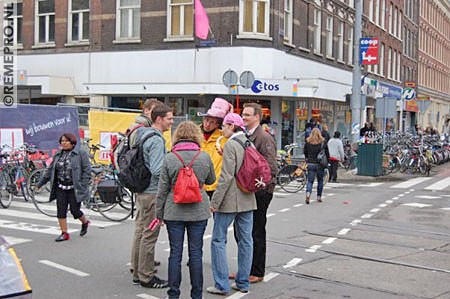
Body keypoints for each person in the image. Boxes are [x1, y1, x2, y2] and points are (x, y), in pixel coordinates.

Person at [155, 121, 216, 299]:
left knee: (175, 254)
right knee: (196, 253)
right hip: (199, 210)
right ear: (196, 135)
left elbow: (162, 189)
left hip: (174, 210)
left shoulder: (170, 158)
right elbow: (211, 180)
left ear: (177, 137)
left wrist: (159, 215)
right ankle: (196, 295)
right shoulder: (204, 157)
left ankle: (173, 294)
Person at [207, 113, 257, 295]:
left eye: (224, 126)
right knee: (246, 240)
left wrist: (215, 201)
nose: (221, 129)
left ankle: (221, 284)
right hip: (248, 198)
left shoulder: (230, 145)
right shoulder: (248, 142)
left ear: (231, 126)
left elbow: (226, 176)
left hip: (230, 200)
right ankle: (243, 282)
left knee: (218, 240)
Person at [130, 104, 173, 288]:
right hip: (153, 192)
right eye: (169, 118)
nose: (172, 122)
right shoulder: (156, 140)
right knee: (150, 234)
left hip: (142, 190)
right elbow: (157, 169)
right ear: (159, 119)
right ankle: (147, 276)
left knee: (140, 231)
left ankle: (137, 270)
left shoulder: (142, 134)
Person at [240, 102, 277, 283]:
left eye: (247, 114)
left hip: (260, 191)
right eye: (243, 114)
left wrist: (262, 188)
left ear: (257, 117)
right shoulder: (246, 135)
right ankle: (245, 269)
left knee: (256, 231)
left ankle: (257, 271)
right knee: (244, 232)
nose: (243, 117)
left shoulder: (264, 137)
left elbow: (271, 167)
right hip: (249, 190)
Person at [36, 133, 91, 242]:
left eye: (66, 141)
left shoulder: (81, 154)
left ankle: (85, 222)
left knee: (75, 211)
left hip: (74, 188)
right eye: (62, 141)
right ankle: (64, 233)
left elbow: (87, 171)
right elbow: (50, 171)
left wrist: (82, 184)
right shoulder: (58, 155)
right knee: (61, 211)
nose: (64, 143)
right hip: (61, 187)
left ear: (72, 142)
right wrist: (40, 183)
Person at [198, 97, 232, 199]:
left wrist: (230, 113)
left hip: (216, 185)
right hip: (198, 184)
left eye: (212, 122)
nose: (207, 124)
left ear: (217, 124)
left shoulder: (223, 138)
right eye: (206, 120)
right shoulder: (195, 135)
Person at [304, 128, 329, 204]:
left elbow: (305, 152)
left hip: (311, 163)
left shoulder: (308, 141)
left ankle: (308, 194)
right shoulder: (322, 142)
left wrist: (307, 158)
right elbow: (327, 153)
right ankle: (319, 197)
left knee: (310, 181)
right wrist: (328, 162)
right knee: (320, 181)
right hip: (320, 164)